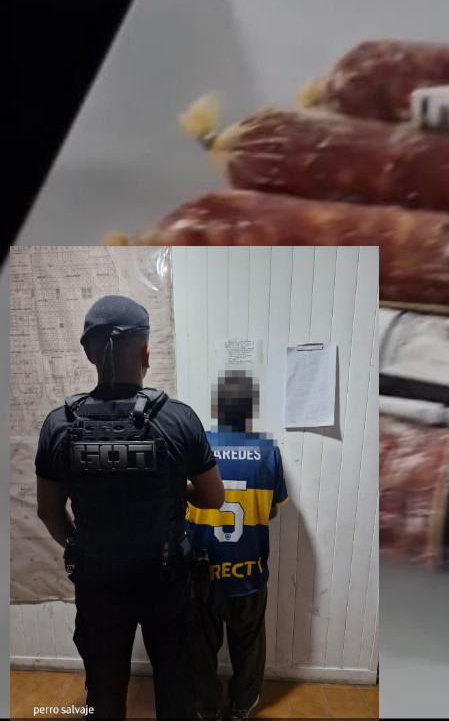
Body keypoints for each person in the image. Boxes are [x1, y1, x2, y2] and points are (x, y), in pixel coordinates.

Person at [35, 295, 225, 719]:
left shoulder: (59, 425)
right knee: (177, 693)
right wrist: (179, 490)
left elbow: (48, 510)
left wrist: (81, 545)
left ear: (88, 353)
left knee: (103, 697)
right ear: (146, 354)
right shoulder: (178, 420)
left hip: (98, 582)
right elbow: (215, 498)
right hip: (166, 580)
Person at [187, 371, 289, 720]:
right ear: (251, 409)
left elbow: (181, 506)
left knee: (201, 646)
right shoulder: (269, 451)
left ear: (217, 407)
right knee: (248, 643)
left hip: (203, 571)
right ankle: (242, 704)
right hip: (249, 570)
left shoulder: (196, 446)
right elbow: (271, 511)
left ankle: (207, 708)